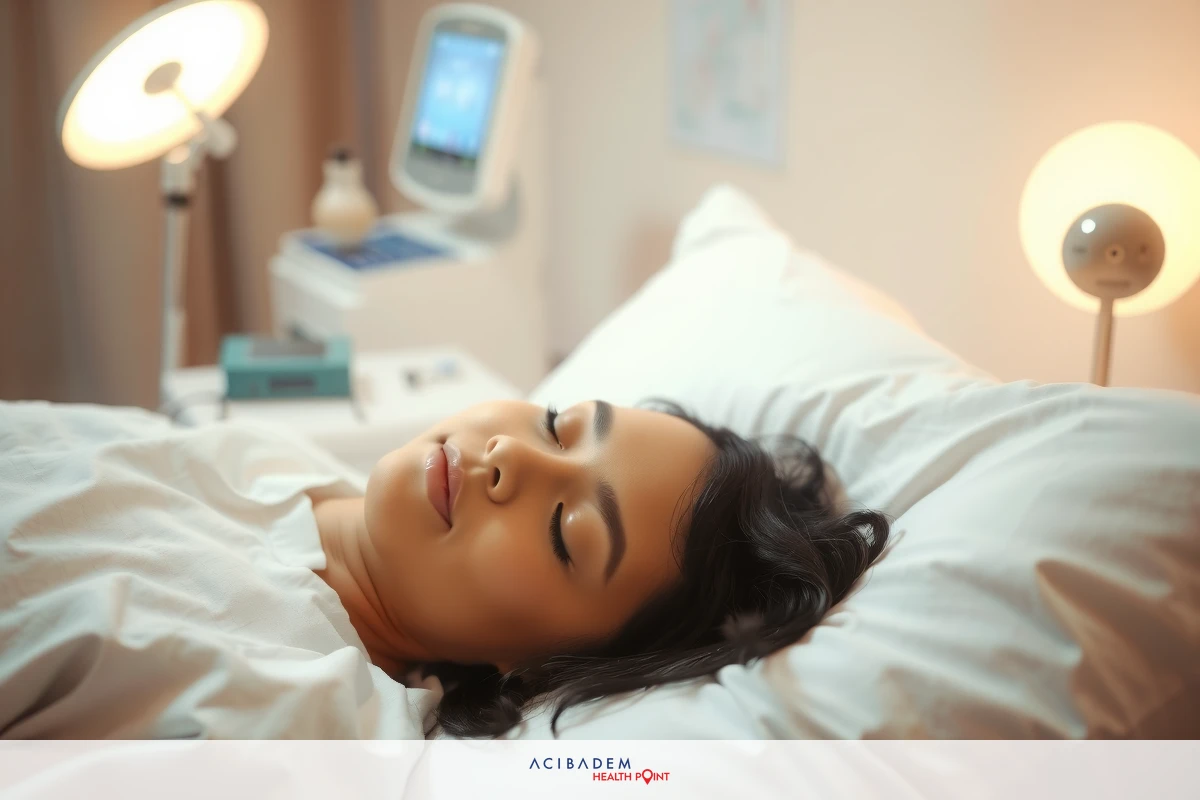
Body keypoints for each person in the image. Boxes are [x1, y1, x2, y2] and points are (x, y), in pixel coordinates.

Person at [313, 398, 890, 738]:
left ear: (538, 668)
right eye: (556, 426)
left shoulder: (299, 712)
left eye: (565, 533)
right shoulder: (262, 461)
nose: (510, 456)